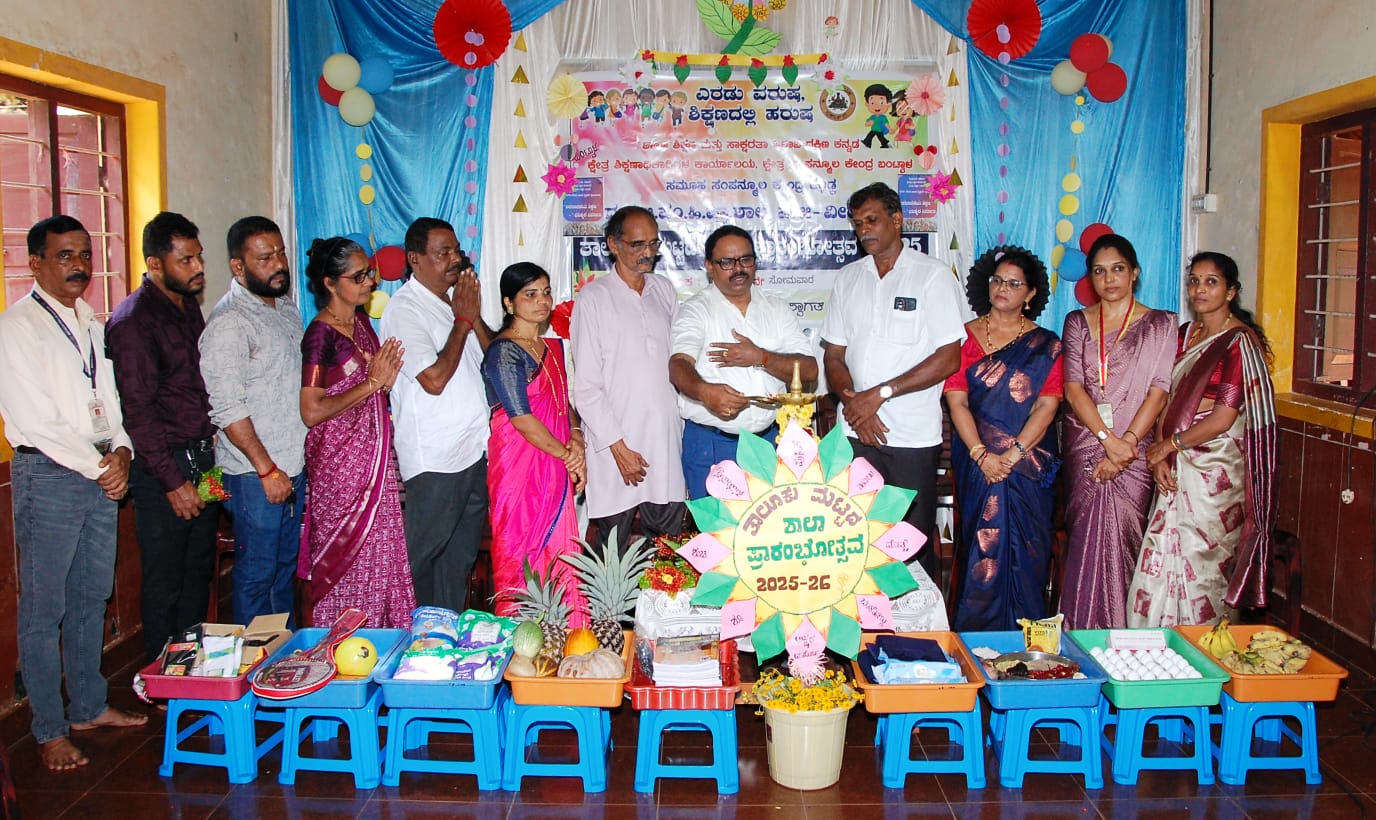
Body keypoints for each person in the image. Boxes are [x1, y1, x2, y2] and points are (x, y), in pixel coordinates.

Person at [0, 215, 147, 771]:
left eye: (84, 254)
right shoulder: (16, 328)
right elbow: (37, 421)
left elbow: (109, 402)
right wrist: (101, 467)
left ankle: (87, 706)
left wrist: (123, 451)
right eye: (64, 255)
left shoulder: (89, 320)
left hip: (101, 471)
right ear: (35, 262)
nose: (79, 265)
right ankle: (48, 729)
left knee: (91, 597)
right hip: (50, 476)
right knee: (46, 608)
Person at [821, 182, 965, 579]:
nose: (864, 230)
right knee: (855, 541)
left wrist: (879, 395)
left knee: (910, 546)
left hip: (910, 440)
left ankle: (920, 619)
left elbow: (948, 358)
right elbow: (833, 355)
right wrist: (855, 402)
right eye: (857, 223)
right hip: (855, 433)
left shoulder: (932, 276)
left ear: (897, 219)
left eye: (872, 220)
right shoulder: (848, 278)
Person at [1127, 252, 1277, 626]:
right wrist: (1160, 454)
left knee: (1201, 561)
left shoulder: (1239, 343)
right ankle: (1156, 643)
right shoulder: (1184, 335)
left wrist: (1170, 446)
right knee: (1161, 552)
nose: (1200, 289)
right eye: (1194, 281)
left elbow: (1223, 417)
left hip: (1213, 470)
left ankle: (1205, 646)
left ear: (1231, 291)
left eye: (1211, 282)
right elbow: (1164, 398)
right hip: (1174, 458)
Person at [106, 211, 221, 661]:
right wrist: (173, 482)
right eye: (185, 260)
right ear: (155, 264)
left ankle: (192, 670)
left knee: (198, 571)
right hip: (164, 468)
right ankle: (162, 679)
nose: (198, 268)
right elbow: (138, 412)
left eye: (199, 257)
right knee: (166, 579)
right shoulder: (133, 321)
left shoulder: (187, 305)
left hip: (203, 459)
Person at [1058, 234, 1177, 630]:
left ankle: (1127, 637)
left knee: (1127, 540)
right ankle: (1079, 637)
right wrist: (1108, 441)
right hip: (1087, 445)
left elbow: (1159, 390)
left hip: (1134, 451)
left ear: (1134, 273)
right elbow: (1073, 387)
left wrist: (1126, 445)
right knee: (1085, 542)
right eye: (1099, 271)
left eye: (1118, 269)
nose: (1109, 279)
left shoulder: (1161, 324)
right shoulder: (1077, 321)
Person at [299, 237, 416, 628]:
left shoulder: (363, 323)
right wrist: (371, 383)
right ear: (330, 283)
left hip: (373, 460)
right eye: (360, 276)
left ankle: (383, 639)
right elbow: (311, 410)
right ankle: (341, 643)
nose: (371, 282)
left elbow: (374, 385)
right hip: (340, 469)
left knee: (381, 551)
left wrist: (382, 382)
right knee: (348, 558)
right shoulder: (320, 335)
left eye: (370, 273)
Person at [945, 247, 1063, 631]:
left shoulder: (1046, 345)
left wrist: (1012, 455)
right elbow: (957, 400)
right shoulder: (962, 337)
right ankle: (974, 644)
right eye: (998, 280)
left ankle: (1032, 644)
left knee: (1028, 553)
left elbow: (1047, 405)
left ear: (1030, 294)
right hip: (976, 462)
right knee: (980, 548)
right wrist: (982, 455)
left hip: (1026, 466)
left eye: (1014, 283)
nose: (1003, 288)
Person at [200, 216, 308, 626]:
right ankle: (255, 659)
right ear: (238, 266)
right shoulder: (230, 323)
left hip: (291, 466)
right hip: (255, 474)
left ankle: (283, 654)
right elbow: (228, 409)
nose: (278, 264)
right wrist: (267, 469)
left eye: (280, 253)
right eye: (265, 258)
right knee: (257, 575)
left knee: (283, 570)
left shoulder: (285, 307)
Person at [379, 217, 491, 613]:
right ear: (415, 259)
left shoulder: (454, 303)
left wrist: (471, 316)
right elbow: (434, 379)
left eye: (456, 251)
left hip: (473, 451)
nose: (454, 259)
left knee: (457, 563)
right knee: (421, 561)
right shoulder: (404, 310)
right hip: (437, 459)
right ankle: (405, 635)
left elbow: (492, 358)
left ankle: (443, 637)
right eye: (443, 253)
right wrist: (462, 321)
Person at [670, 225, 817, 498]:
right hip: (713, 443)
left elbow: (809, 370)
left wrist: (761, 357)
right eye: (727, 262)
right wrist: (705, 392)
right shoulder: (696, 310)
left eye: (745, 259)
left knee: (770, 524)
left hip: (771, 441)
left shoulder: (776, 308)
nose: (738, 268)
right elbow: (678, 365)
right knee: (717, 524)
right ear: (709, 266)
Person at [571, 206, 686, 550]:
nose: (647, 253)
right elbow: (586, 388)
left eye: (653, 244)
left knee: (667, 553)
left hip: (664, 443)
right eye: (637, 244)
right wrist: (619, 448)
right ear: (613, 244)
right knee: (613, 558)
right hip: (614, 448)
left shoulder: (664, 290)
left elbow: (678, 365)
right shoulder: (593, 298)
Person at [481, 262, 588, 617]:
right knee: (520, 545)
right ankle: (519, 633)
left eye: (545, 292)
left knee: (560, 549)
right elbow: (522, 419)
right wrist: (568, 455)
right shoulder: (504, 352)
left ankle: (566, 630)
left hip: (554, 459)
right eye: (530, 294)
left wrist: (577, 440)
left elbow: (562, 403)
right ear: (508, 303)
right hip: (519, 467)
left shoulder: (550, 347)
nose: (542, 301)